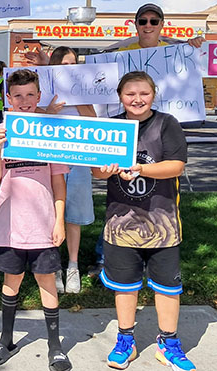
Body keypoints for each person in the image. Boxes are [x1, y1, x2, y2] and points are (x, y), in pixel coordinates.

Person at [92, 71, 194, 371]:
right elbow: (96, 171)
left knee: (167, 288)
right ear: (120, 96)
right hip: (121, 224)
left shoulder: (167, 124)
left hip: (162, 226)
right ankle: (126, 340)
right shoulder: (111, 126)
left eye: (144, 94)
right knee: (125, 286)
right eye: (130, 94)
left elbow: (176, 166)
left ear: (154, 94)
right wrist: (106, 169)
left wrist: (140, 169)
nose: (137, 99)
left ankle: (169, 343)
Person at [0, 69, 72, 371]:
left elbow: (59, 182)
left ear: (38, 97)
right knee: (11, 283)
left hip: (43, 224)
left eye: (30, 95)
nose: (24, 101)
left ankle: (55, 346)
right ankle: (5, 339)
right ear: (8, 99)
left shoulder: (51, 133)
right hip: (10, 226)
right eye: (17, 96)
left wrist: (59, 220)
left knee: (47, 283)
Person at [42, 47, 97, 295]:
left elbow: (94, 119)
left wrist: (79, 99)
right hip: (51, 159)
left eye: (73, 62)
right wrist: (48, 112)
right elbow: (31, 119)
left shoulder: (83, 92)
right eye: (64, 62)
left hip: (79, 158)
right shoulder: (45, 89)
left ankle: (72, 265)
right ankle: (54, 266)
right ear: (54, 65)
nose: (69, 66)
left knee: (74, 212)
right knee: (52, 211)